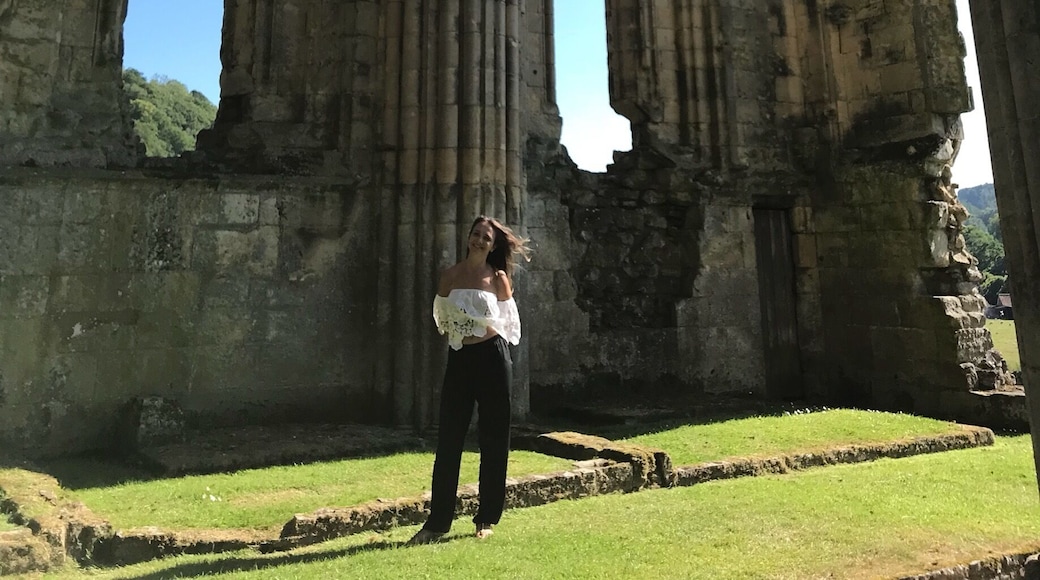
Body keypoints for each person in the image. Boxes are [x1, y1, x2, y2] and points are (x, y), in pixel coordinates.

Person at [408, 216, 530, 544]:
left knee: (494, 438)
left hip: (493, 358)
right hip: (461, 358)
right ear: (468, 237)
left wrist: (481, 329)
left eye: (486, 238)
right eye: (476, 234)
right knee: (449, 439)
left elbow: (509, 323)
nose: (479, 240)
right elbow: (442, 317)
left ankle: (486, 518)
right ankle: (437, 523)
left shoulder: (499, 278)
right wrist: (460, 328)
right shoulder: (450, 275)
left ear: (493, 245)